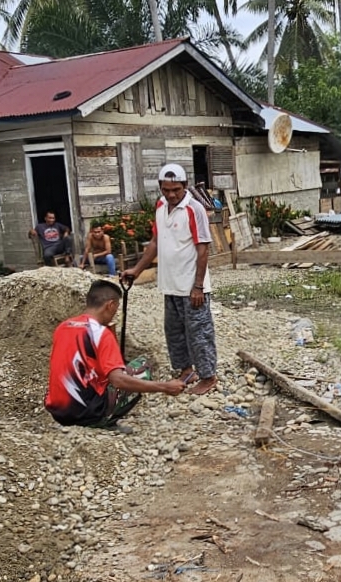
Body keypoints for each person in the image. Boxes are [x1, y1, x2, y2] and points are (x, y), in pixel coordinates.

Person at [122, 163, 219, 396]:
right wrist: (136, 269)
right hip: (170, 283)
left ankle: (208, 376)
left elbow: (203, 249)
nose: (171, 194)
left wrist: (198, 286)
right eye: (166, 190)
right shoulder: (160, 206)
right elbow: (156, 242)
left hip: (191, 285)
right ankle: (186, 370)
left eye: (176, 189)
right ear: (160, 187)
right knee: (174, 331)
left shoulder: (193, 209)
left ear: (185, 186)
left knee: (199, 331)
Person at [45, 280, 185, 427]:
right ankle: (105, 421)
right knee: (143, 365)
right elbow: (118, 380)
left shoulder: (63, 327)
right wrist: (164, 387)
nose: (114, 315)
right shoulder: (101, 333)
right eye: (116, 310)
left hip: (58, 412)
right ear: (110, 305)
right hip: (88, 415)